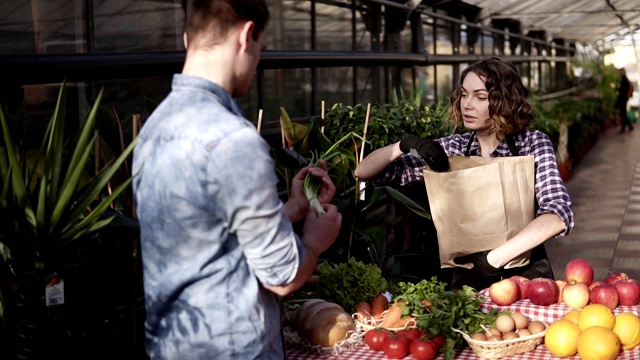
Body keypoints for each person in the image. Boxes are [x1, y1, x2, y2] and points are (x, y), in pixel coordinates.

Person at [131, 1, 342, 359]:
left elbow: (208, 237)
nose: (258, 60)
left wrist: (292, 208)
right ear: (246, 36)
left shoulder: (154, 128)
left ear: (188, 38)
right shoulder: (233, 139)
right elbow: (283, 277)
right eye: (261, 48)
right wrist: (316, 240)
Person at [354, 57, 574, 292]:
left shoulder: (531, 144)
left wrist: (492, 260)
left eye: (480, 97)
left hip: (525, 277)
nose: (467, 104)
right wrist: (403, 145)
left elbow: (558, 215)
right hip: (469, 275)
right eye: (464, 94)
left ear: (504, 101)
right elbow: (364, 172)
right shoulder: (454, 149)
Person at [616, 67, 633, 133]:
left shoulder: (624, 80)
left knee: (623, 114)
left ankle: (626, 127)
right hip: (624, 99)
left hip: (623, 99)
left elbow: (622, 90)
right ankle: (626, 127)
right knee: (623, 114)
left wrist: (616, 87)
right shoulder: (625, 80)